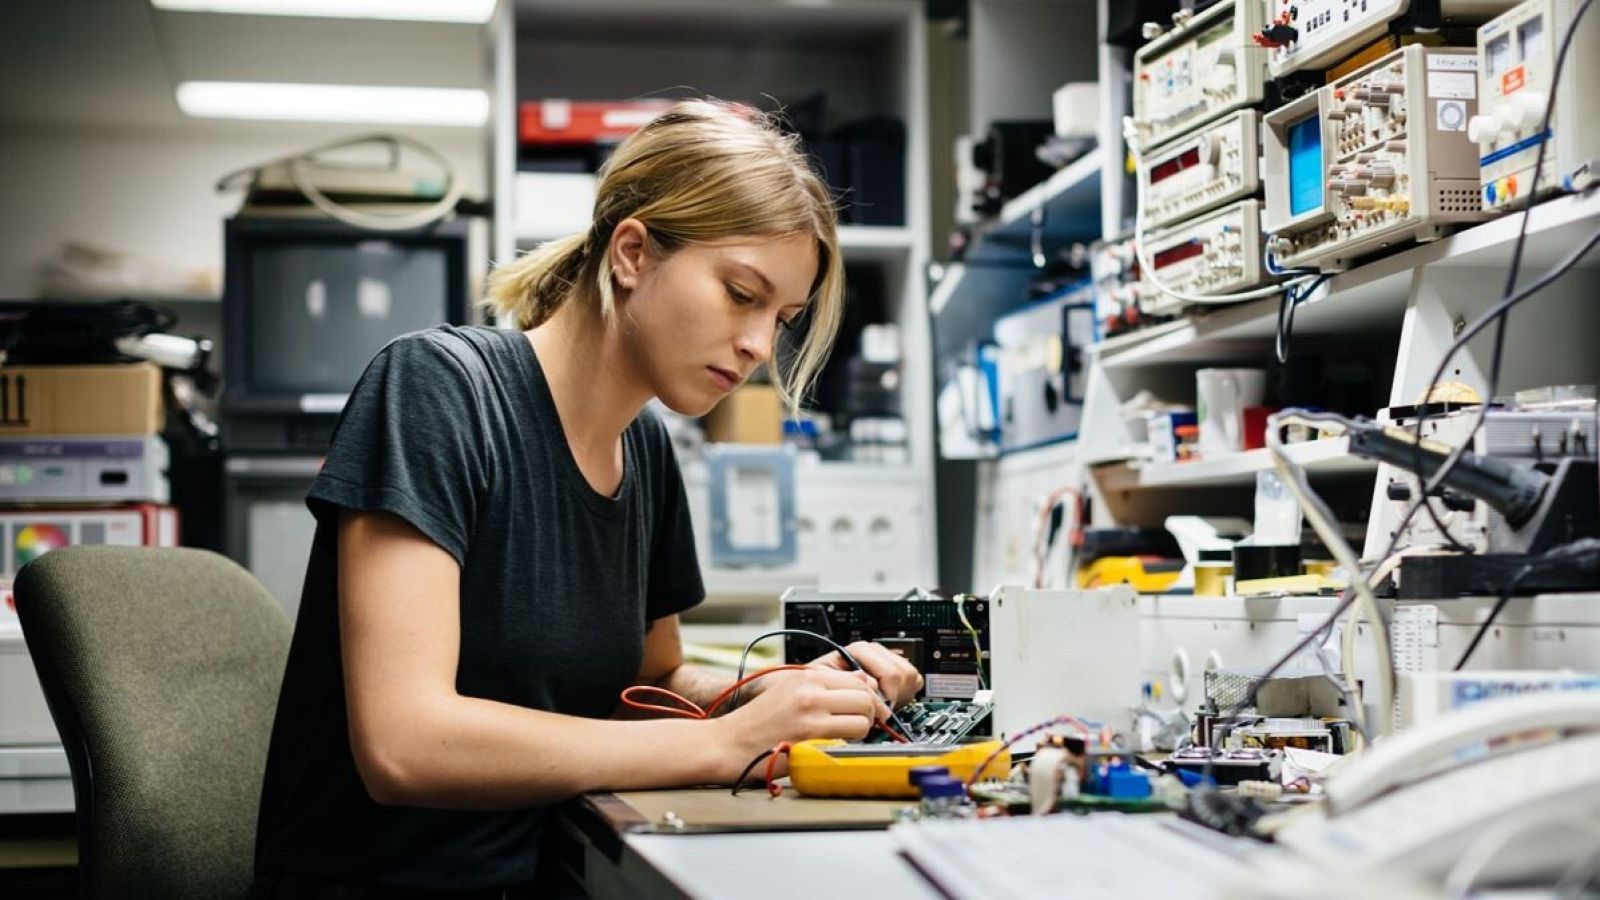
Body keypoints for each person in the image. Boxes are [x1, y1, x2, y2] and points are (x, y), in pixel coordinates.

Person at [248, 99, 924, 899]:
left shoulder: (647, 450)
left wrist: (770, 695)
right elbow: (406, 744)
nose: (757, 346)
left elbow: (647, 685)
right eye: (742, 294)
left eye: (782, 318)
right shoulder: (437, 391)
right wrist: (726, 743)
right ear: (632, 253)